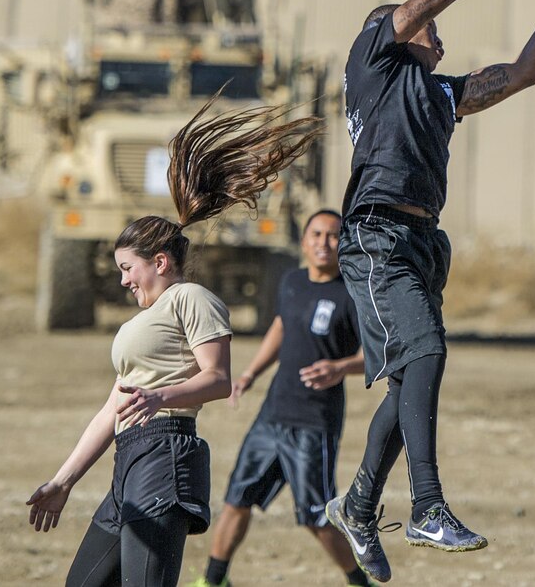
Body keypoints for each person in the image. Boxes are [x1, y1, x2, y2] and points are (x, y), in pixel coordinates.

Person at [325, 0, 535, 583]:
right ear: (397, 30)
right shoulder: (373, 60)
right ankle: (427, 505)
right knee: (429, 352)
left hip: (419, 241)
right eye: (430, 29)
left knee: (409, 377)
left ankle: (358, 505)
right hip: (378, 234)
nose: (440, 37)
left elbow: (523, 71)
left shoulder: (440, 94)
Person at [26, 99, 321, 587]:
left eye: (128, 268)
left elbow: (217, 379)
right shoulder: (146, 320)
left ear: (160, 262)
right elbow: (110, 412)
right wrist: (63, 480)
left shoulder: (191, 298)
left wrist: (159, 396)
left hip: (167, 456)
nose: (123, 281)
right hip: (130, 460)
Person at [190, 209, 372, 587]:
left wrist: (340, 367)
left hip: (314, 422)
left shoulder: (352, 294)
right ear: (304, 242)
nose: (324, 242)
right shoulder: (291, 282)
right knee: (237, 498)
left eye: (334, 236)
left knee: (316, 516)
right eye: (317, 234)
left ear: (345, 244)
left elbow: (375, 354)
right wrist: (250, 374)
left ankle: (360, 582)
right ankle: (213, 581)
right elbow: (280, 327)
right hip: (271, 414)